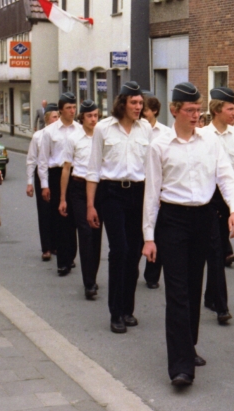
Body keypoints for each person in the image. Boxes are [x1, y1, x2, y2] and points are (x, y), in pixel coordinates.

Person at [142, 82, 234, 386]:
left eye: (199, 109)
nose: (197, 115)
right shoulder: (159, 145)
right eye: (190, 110)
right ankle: (181, 367)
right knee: (177, 291)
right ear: (174, 110)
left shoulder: (210, 142)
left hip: (204, 218)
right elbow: (151, 191)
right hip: (172, 219)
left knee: (195, 285)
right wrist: (148, 236)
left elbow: (225, 175)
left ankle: (189, 345)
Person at [86, 81, 152, 334]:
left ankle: (127, 309)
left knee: (134, 252)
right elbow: (93, 169)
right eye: (134, 102)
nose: (138, 107)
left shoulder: (145, 129)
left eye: (140, 103)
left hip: (138, 193)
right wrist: (91, 205)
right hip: (111, 193)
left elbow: (151, 167)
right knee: (120, 250)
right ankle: (115, 313)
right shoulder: (104, 129)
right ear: (122, 103)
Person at [200, 87, 234, 323]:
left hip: (229, 197)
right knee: (214, 249)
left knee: (218, 249)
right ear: (217, 110)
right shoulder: (202, 135)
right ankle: (221, 305)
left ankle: (212, 296)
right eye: (230, 108)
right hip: (208, 198)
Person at [59, 100, 103, 300]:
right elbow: (66, 168)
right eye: (90, 116)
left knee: (96, 234)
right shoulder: (74, 138)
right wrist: (63, 198)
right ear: (82, 117)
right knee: (85, 232)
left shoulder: (102, 136)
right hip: (78, 188)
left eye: (96, 115)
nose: (93, 119)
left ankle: (92, 274)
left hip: (98, 188)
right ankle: (89, 284)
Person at [38, 92, 82, 275]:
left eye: (74, 107)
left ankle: (70, 255)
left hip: (75, 174)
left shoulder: (80, 129)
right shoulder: (49, 132)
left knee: (73, 219)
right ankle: (62, 261)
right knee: (60, 217)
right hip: (56, 174)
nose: (72, 111)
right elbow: (43, 160)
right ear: (61, 110)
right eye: (68, 108)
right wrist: (44, 185)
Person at [141, 94, 171, 289]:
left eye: (145, 110)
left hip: (157, 185)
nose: (142, 114)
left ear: (154, 112)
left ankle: (152, 274)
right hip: (139, 183)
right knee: (140, 229)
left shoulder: (166, 134)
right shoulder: (136, 131)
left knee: (157, 229)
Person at [26, 103, 59, 261]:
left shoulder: (61, 135)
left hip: (57, 175)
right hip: (42, 174)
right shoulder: (38, 136)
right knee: (45, 212)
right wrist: (29, 182)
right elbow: (31, 160)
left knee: (56, 211)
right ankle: (46, 247)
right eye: (54, 117)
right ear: (47, 119)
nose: (57, 119)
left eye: (58, 117)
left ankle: (55, 245)